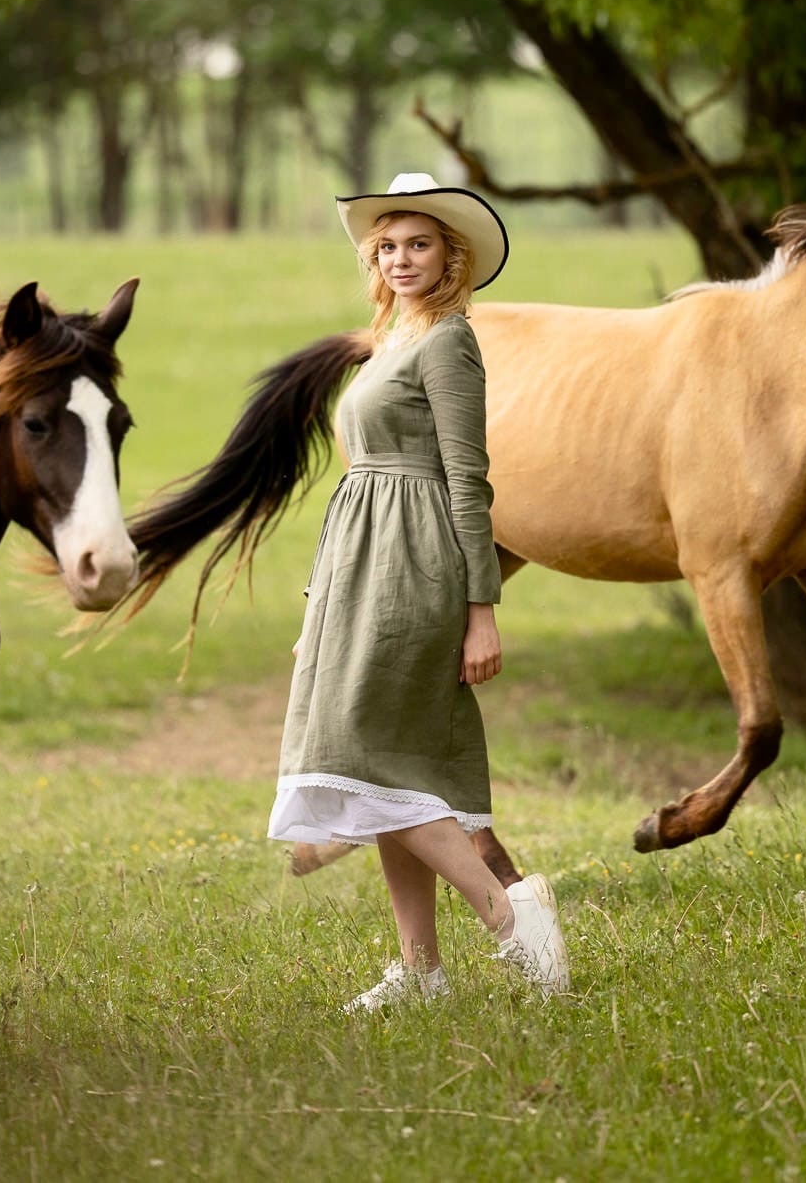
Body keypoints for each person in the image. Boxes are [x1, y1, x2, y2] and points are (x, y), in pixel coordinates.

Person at [269, 172, 569, 1011]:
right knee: (385, 771)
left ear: (452, 255)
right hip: (361, 560)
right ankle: (422, 971)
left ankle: (512, 917)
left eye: (419, 244)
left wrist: (481, 611)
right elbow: (360, 482)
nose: (401, 259)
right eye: (388, 246)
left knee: (361, 752)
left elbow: (469, 478)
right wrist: (320, 604)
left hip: (417, 560)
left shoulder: (449, 343)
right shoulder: (391, 337)